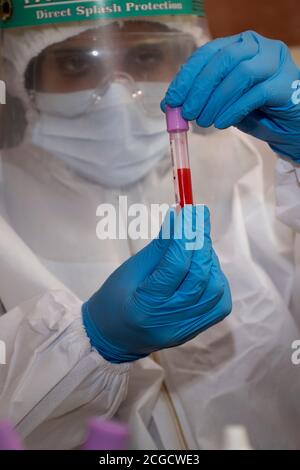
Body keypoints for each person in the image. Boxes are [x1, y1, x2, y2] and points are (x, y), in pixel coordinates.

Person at [0, 7, 299, 449]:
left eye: (146, 57)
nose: (118, 96)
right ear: (23, 75)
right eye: (77, 63)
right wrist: (88, 343)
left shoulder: (259, 162)